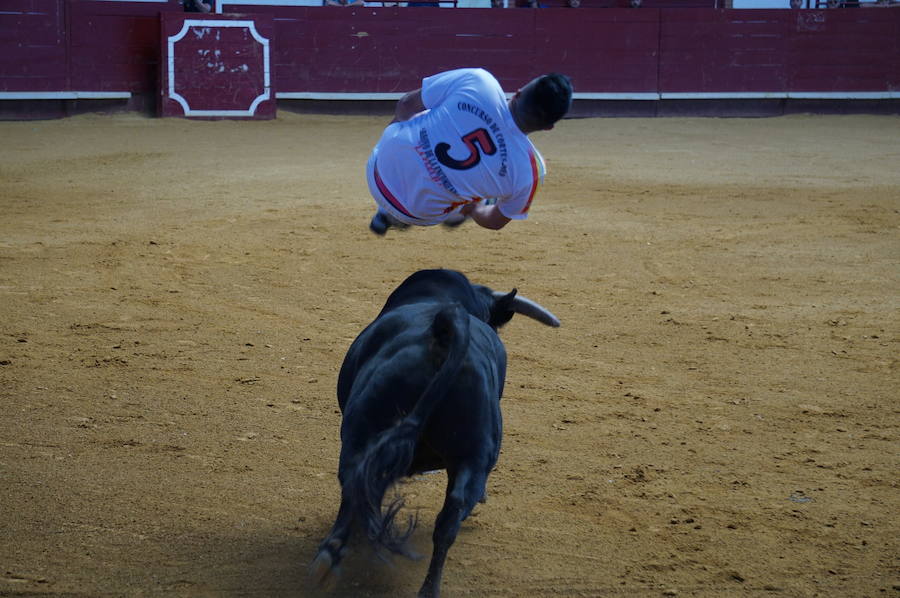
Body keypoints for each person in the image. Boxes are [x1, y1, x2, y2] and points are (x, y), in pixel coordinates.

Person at [366, 68, 572, 235]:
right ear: (548, 127)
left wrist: (394, 142)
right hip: (416, 213)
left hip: (377, 168)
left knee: (430, 112)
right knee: (483, 194)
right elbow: (494, 221)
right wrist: (474, 209)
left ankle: (386, 211)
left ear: (518, 94)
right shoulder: (530, 171)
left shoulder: (480, 82)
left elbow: (406, 105)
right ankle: (456, 212)